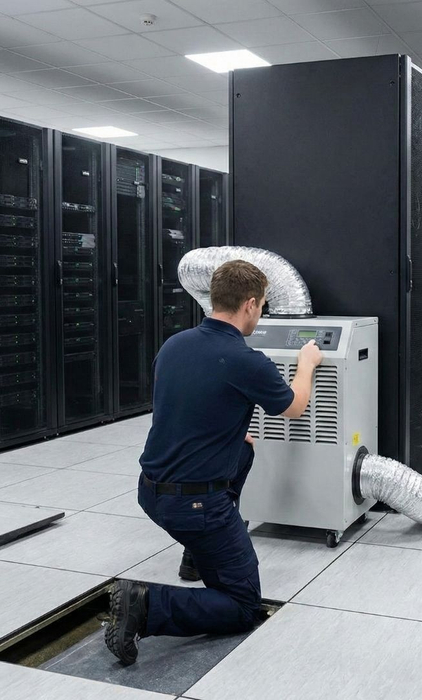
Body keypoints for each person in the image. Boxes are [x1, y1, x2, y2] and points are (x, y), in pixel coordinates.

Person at [104, 259, 323, 665]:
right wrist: (307, 364)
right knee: (243, 606)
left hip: (150, 491)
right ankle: (147, 605)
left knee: (244, 447)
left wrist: (228, 431)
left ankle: (197, 554)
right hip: (194, 506)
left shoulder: (175, 344)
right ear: (251, 304)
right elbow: (294, 406)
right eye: (262, 308)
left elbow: (189, 406)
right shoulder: (246, 360)